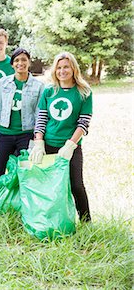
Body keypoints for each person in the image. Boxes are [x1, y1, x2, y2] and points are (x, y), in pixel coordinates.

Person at [29, 52, 93, 222]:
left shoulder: (84, 92)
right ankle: (50, 220)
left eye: (66, 67)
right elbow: (41, 118)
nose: (62, 71)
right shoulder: (49, 91)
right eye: (59, 67)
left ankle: (86, 221)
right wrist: (38, 142)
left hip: (70, 147)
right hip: (48, 145)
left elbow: (83, 122)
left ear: (73, 68)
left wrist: (71, 144)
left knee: (77, 186)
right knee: (50, 186)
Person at [0, 48, 44, 188]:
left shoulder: (39, 86)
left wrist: (35, 142)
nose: (20, 63)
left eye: (24, 60)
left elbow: (39, 116)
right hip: (5, 135)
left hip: (25, 134)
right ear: (12, 64)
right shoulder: (3, 83)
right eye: (17, 60)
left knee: (24, 174)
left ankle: (19, 202)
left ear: (29, 62)